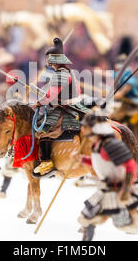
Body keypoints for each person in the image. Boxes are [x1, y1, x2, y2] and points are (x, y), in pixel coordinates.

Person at [77, 110, 138, 241]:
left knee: (125, 224)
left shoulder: (111, 145)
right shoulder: (97, 144)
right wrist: (82, 160)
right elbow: (99, 161)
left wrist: (126, 189)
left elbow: (131, 166)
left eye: (86, 126)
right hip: (106, 188)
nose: (83, 129)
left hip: (121, 188)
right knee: (87, 216)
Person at [32, 37, 89, 177]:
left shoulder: (60, 74)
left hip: (66, 108)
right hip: (70, 104)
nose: (47, 61)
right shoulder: (69, 72)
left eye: (49, 58)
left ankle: (46, 161)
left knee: (43, 129)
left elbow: (52, 94)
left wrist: (40, 102)